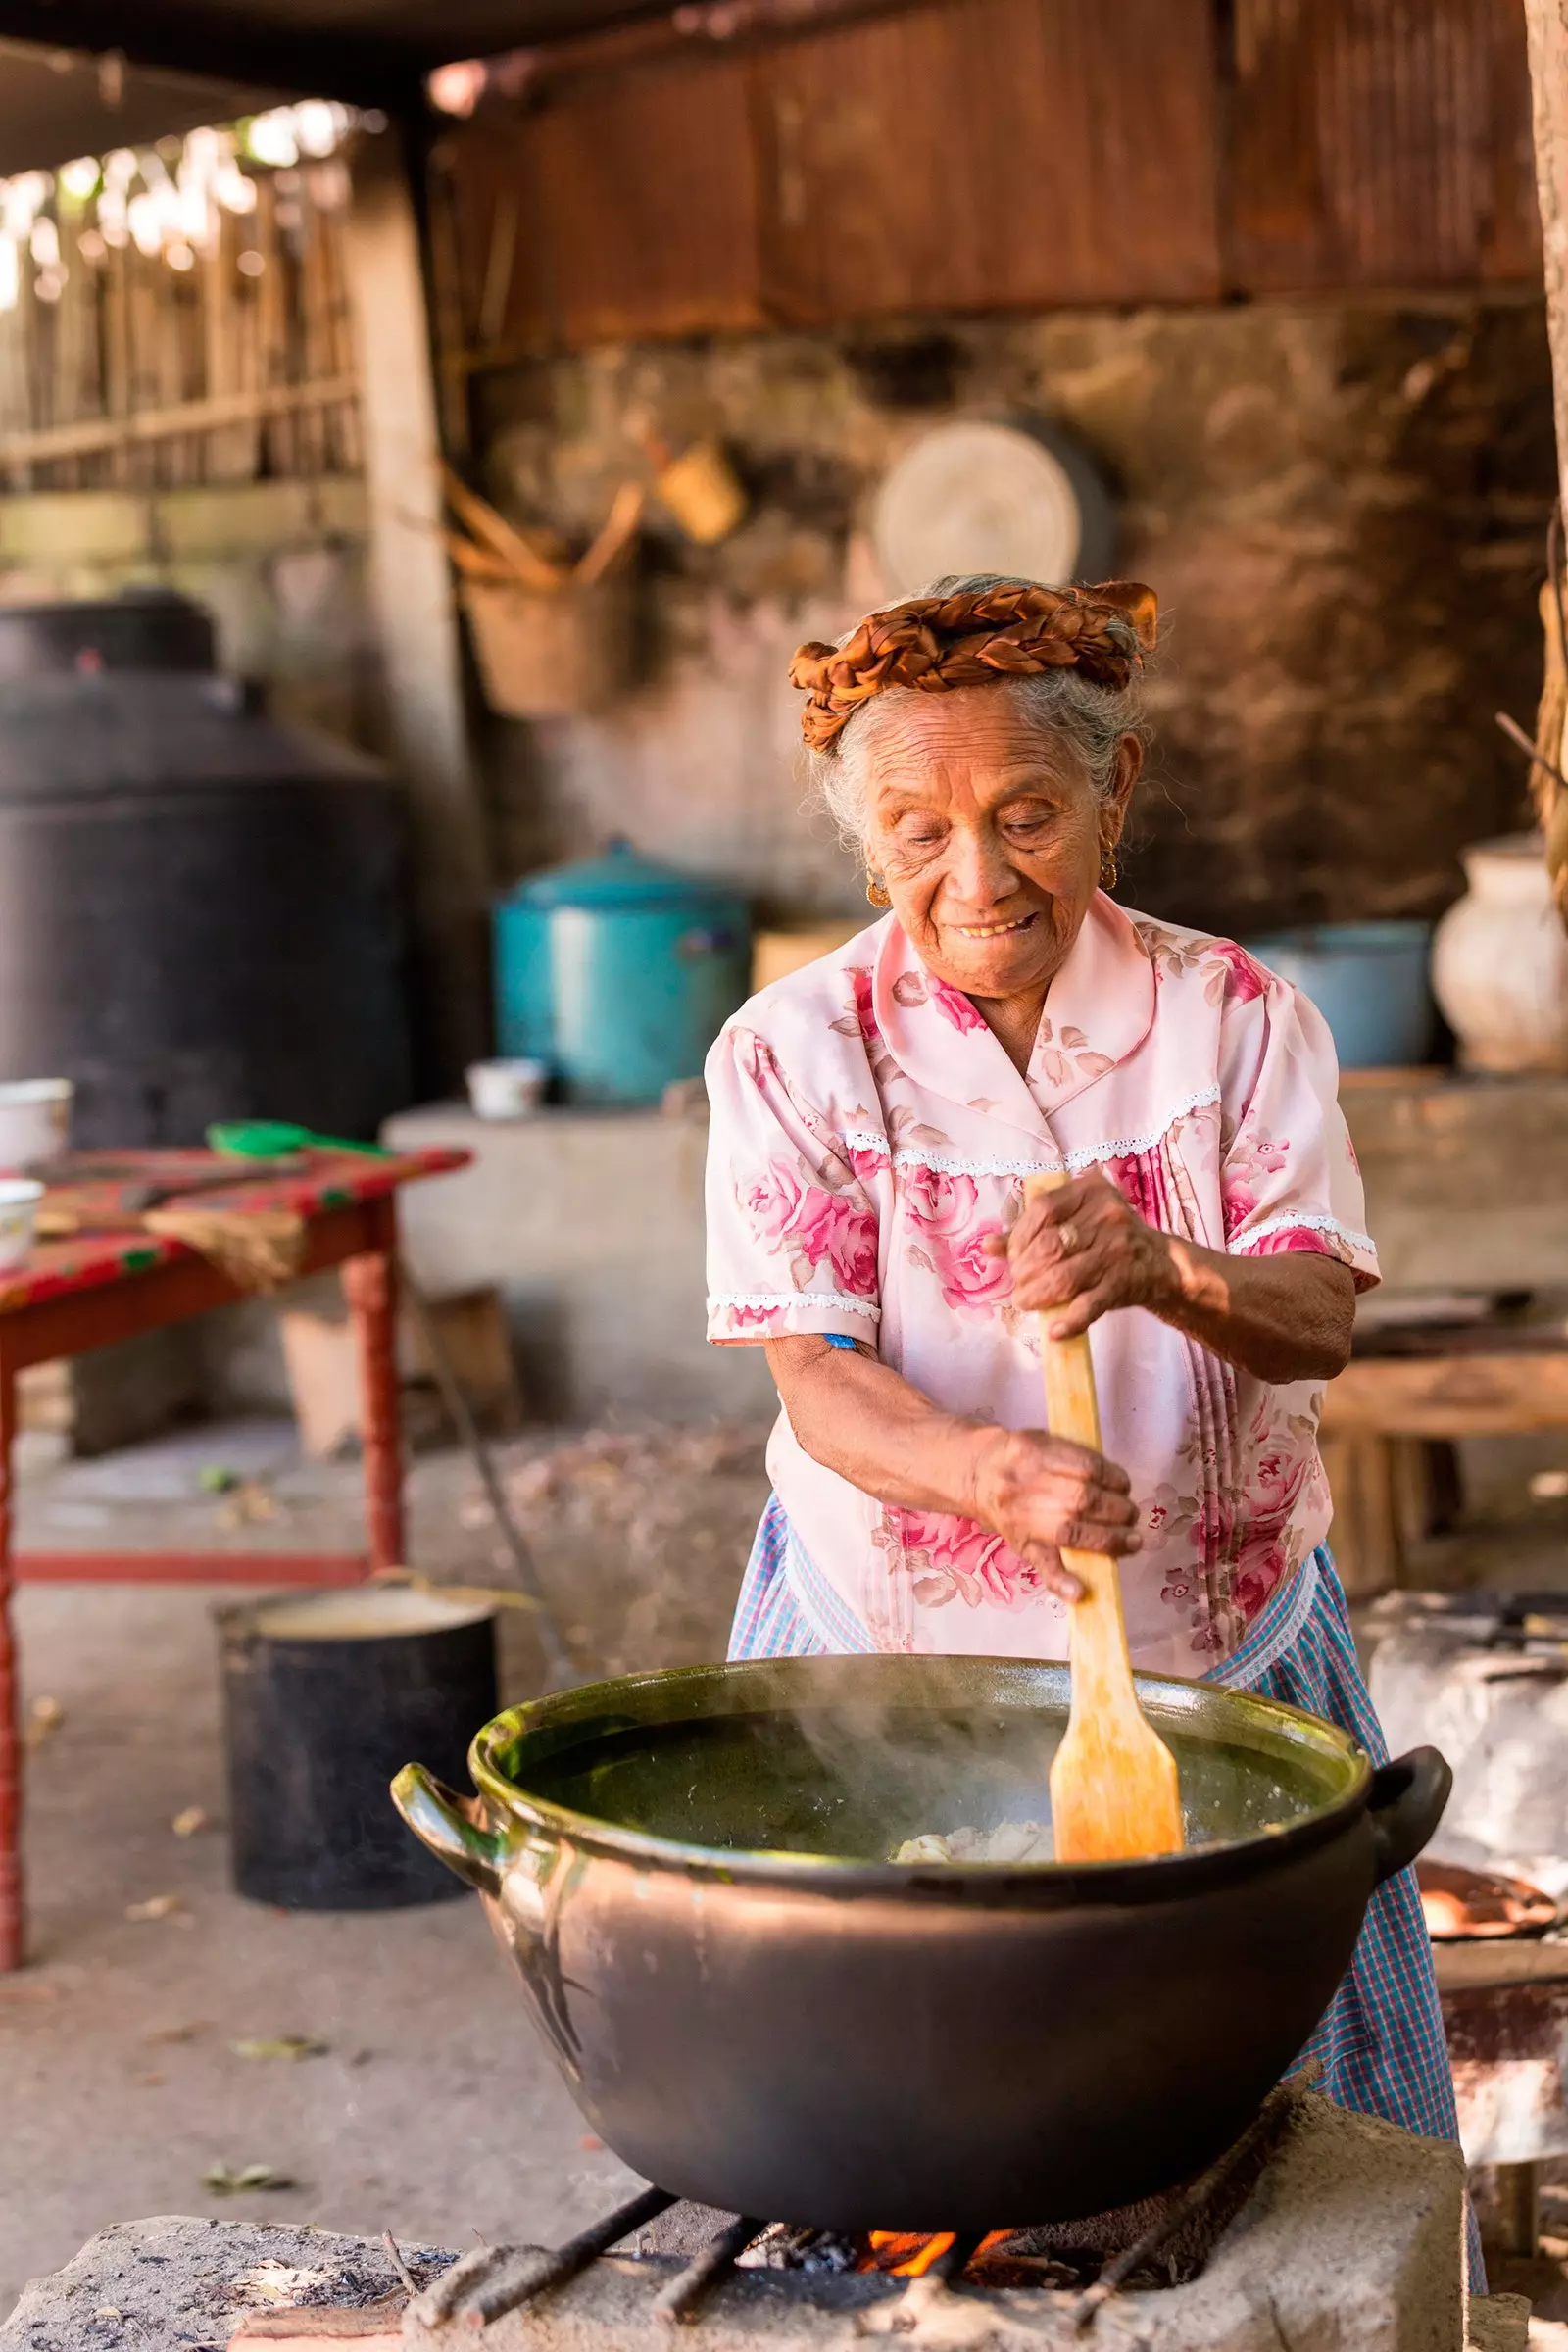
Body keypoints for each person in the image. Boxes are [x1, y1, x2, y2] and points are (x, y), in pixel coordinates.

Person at [703, 572, 1471, 2256]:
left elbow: (1320, 1317)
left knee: (1299, 2149)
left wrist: (1164, 1267)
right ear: (866, 837)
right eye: (917, 830)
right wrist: (987, 1471)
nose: (976, 879)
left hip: (1230, 1653)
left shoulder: (1235, 1019)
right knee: (881, 2118)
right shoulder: (794, 1054)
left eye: (1027, 813)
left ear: (1112, 796)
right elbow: (817, 1378)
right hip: (888, 1667)